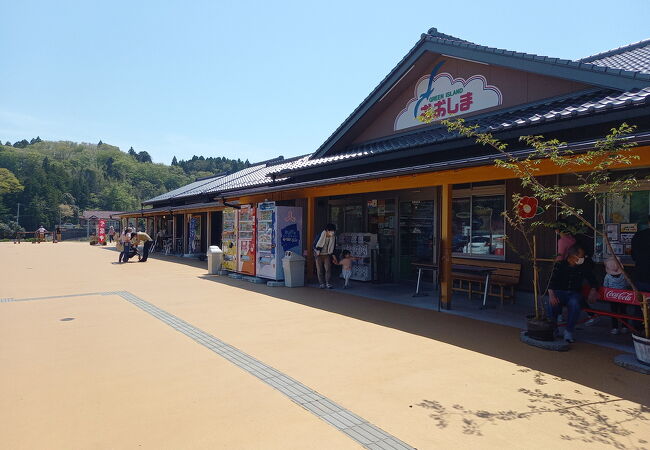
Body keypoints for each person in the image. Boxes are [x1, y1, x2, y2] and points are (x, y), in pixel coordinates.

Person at [547, 245, 599, 343]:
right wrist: (551, 295)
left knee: (575, 304)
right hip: (559, 292)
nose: (583, 258)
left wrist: (593, 290)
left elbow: (593, 280)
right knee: (552, 304)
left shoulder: (583, 267)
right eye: (581, 256)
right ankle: (553, 329)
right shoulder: (559, 265)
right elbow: (550, 281)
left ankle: (569, 331)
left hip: (574, 293)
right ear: (573, 256)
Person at [603, 257, 630, 335]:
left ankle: (615, 328)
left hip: (612, 297)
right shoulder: (624, 275)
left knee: (614, 312)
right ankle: (625, 326)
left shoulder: (607, 276)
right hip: (623, 296)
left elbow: (605, 286)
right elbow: (628, 284)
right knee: (623, 311)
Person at [314, 223, 336, 289]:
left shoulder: (333, 237)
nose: (332, 232)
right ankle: (321, 283)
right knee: (319, 269)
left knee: (328, 269)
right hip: (318, 254)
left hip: (327, 254)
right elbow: (314, 244)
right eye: (331, 231)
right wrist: (316, 251)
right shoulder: (320, 235)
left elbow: (333, 247)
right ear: (327, 230)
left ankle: (328, 283)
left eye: (333, 231)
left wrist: (333, 256)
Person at [631, 215, 650, 292]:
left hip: (641, 276)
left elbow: (634, 257)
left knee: (643, 302)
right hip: (642, 276)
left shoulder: (638, 235)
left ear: (649, 223)